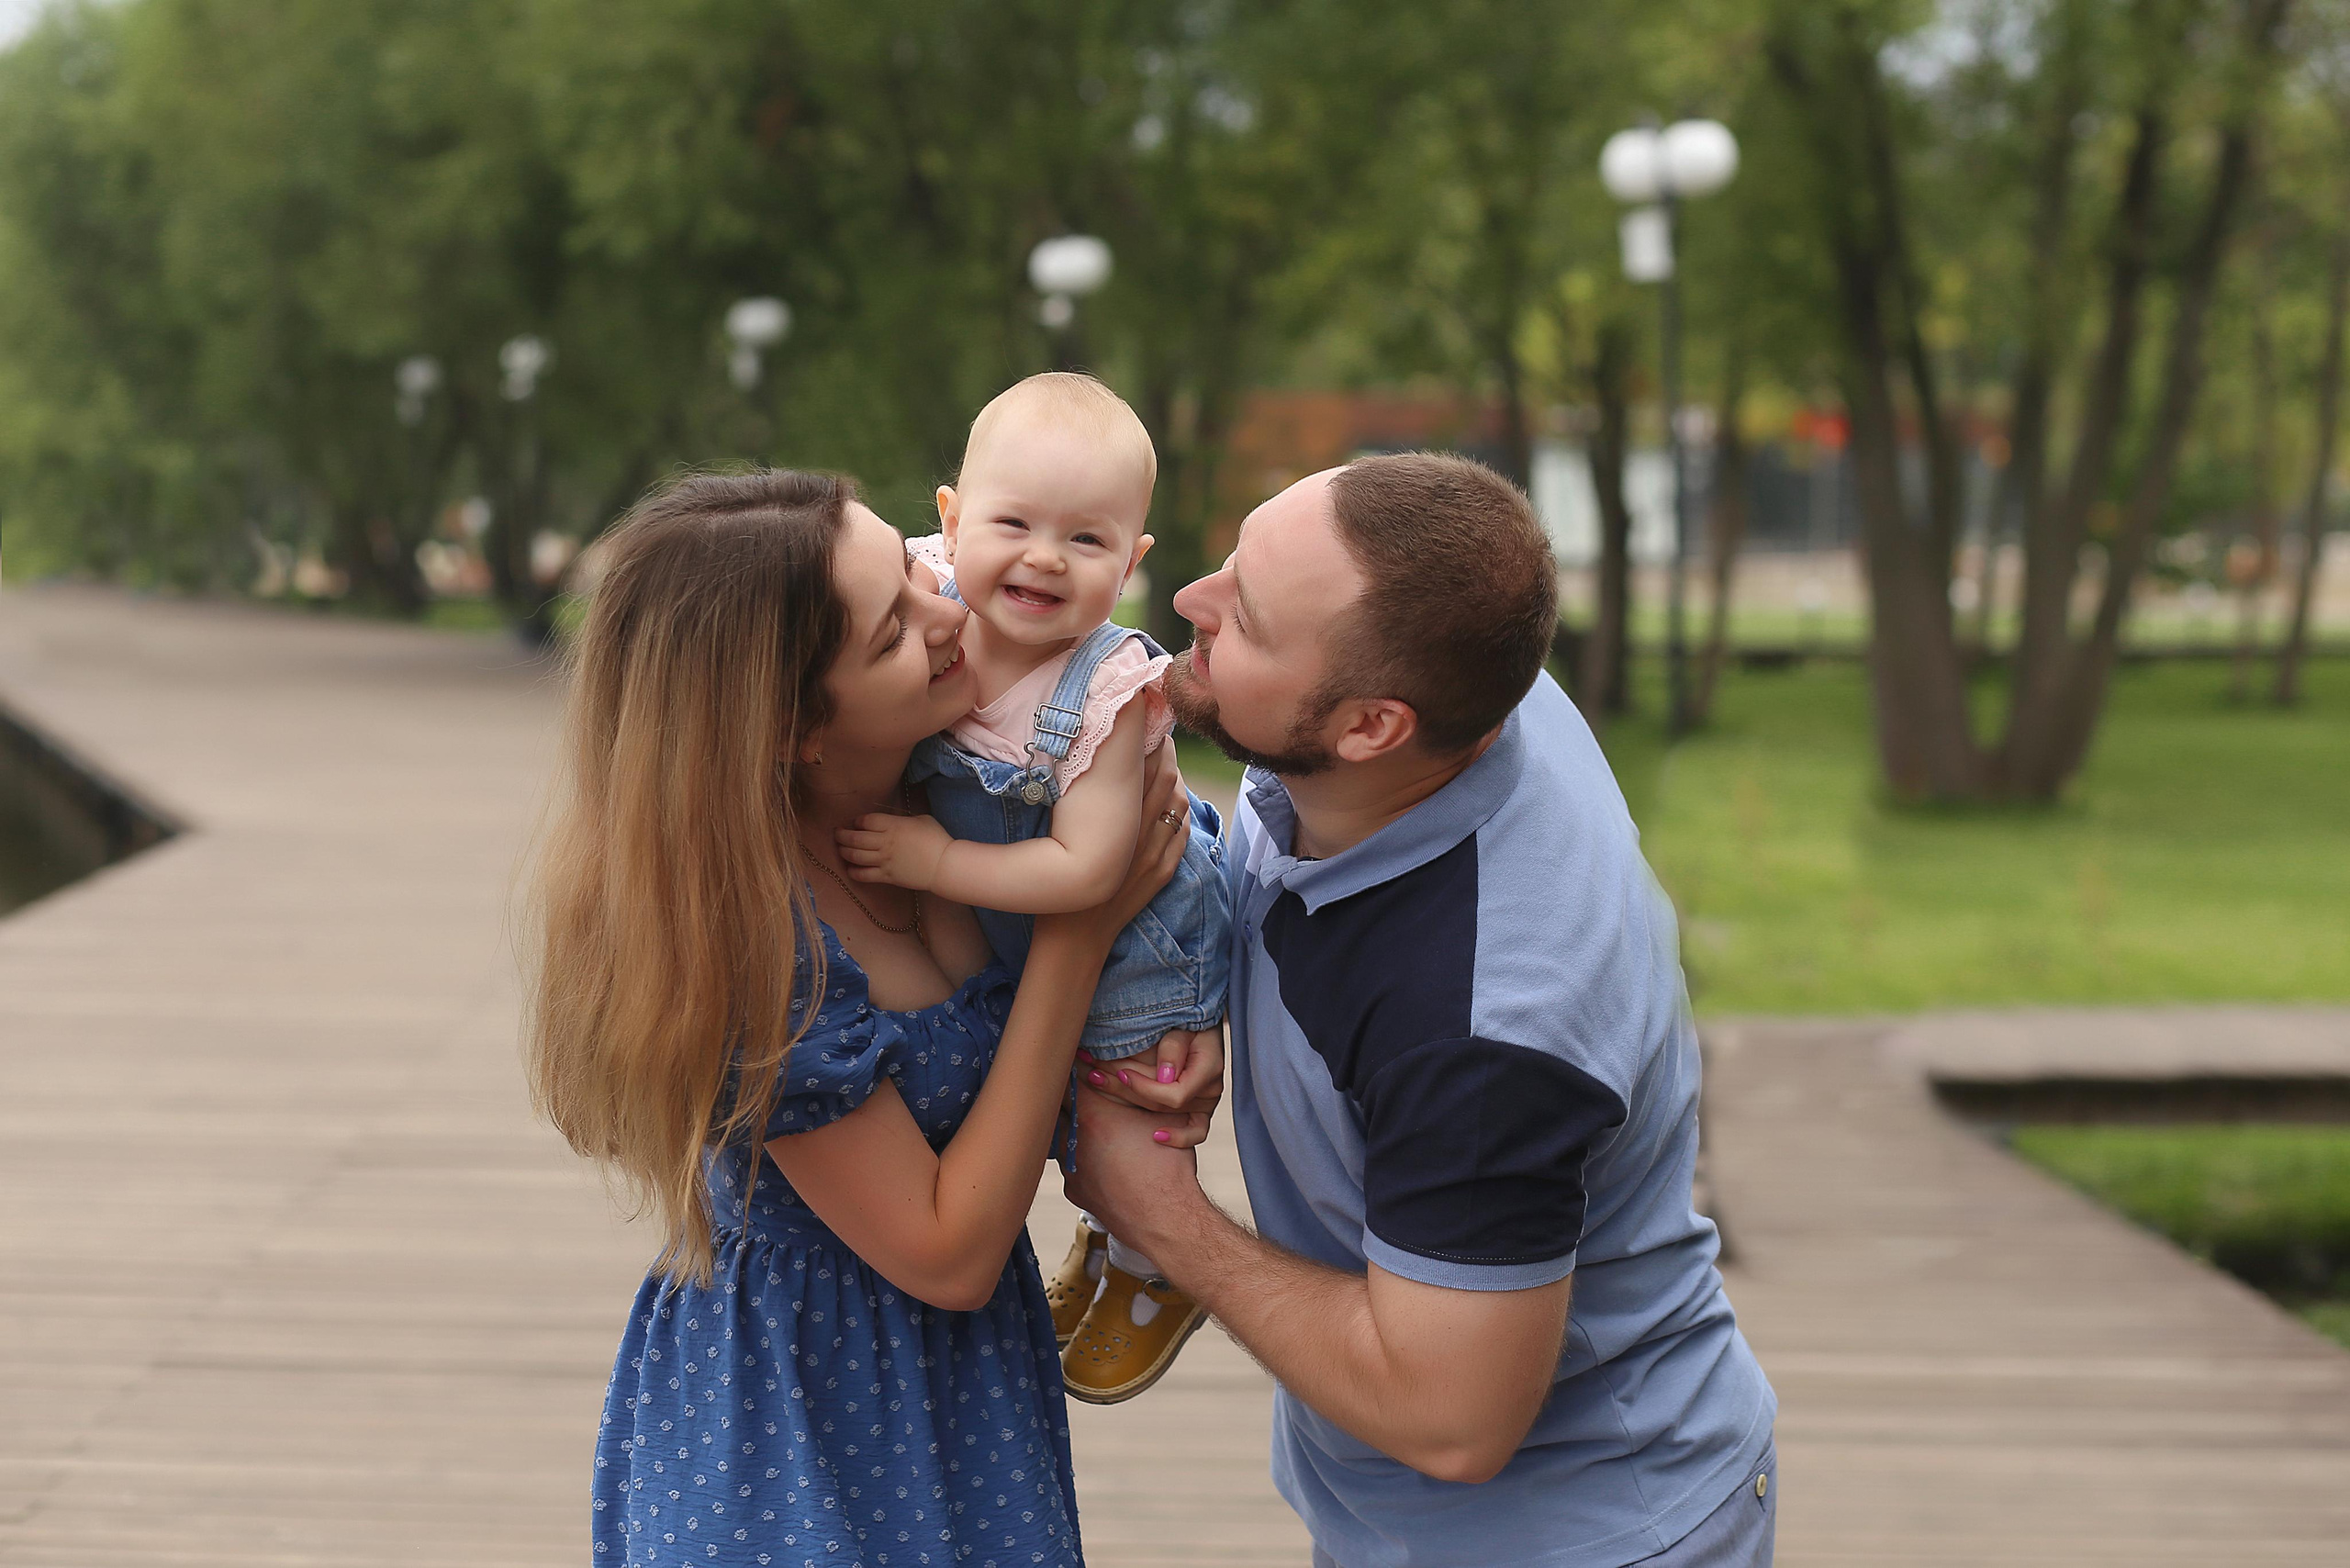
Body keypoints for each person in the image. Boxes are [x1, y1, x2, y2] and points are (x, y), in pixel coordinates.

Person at [1067, 454, 1780, 1568]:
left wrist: (1158, 1213)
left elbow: (1453, 1420)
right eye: (1233, 562)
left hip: (1571, 1535)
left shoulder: (1489, 1030)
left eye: (1243, 619)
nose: (1188, 602)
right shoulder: (1461, 676)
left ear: (1369, 728)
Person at [524, 468, 1202, 1567]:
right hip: (800, 1419)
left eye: (915, 568)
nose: (949, 611)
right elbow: (944, 1253)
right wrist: (1079, 935)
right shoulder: (753, 949)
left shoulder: (959, 791)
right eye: (895, 627)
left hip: (956, 1393)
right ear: (790, 725)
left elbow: (1177, 860)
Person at [837, 373, 1230, 1404]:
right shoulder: (923, 593)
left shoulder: (1105, 689)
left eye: (1089, 541)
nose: (1045, 558)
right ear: (949, 521)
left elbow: (1091, 869)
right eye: (1013, 523)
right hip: (1009, 924)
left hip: (1133, 946)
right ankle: (1108, 1240)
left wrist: (931, 863)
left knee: (1121, 1124)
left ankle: (1153, 1263)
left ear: (1135, 561)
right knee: (1033, 1099)